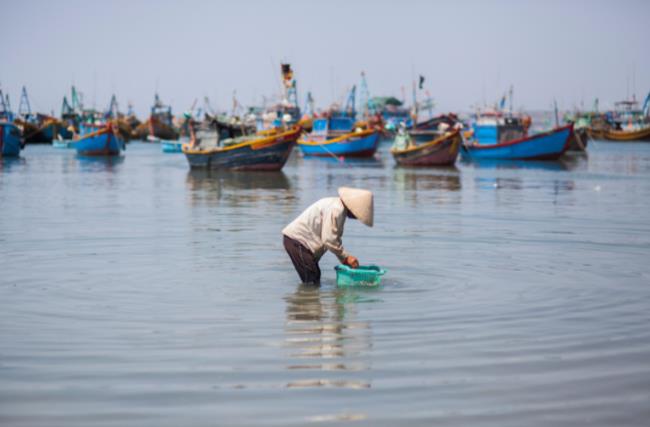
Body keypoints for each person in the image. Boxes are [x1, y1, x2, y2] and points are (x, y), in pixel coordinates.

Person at [282, 187, 374, 285]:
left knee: (313, 278)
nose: (357, 218)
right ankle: (307, 299)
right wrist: (346, 257)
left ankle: (308, 298)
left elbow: (333, 238)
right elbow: (329, 239)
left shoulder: (338, 207)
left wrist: (344, 259)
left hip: (300, 244)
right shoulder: (337, 209)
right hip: (298, 242)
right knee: (312, 281)